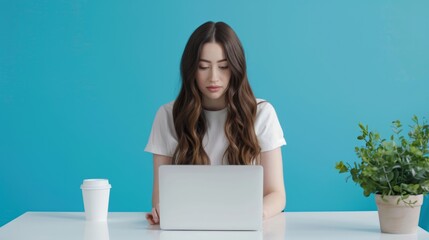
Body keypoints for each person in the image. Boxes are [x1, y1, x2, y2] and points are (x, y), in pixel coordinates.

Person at [144, 21, 286, 225]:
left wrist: (253, 214)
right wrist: (160, 210)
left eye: (223, 67)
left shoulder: (262, 113)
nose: (213, 77)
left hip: (246, 228)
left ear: (236, 67)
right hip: (188, 227)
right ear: (191, 69)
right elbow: (160, 197)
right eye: (203, 67)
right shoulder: (167, 115)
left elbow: (276, 194)